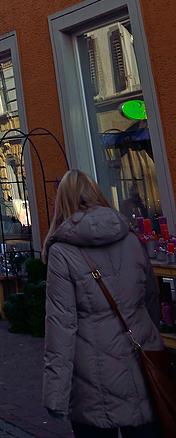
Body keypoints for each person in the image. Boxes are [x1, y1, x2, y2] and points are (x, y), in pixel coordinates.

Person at [43, 169, 165, 437]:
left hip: (93, 376)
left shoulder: (62, 251)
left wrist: (56, 394)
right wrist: (152, 344)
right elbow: (151, 300)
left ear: (63, 201)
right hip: (140, 361)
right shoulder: (131, 238)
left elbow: (61, 327)